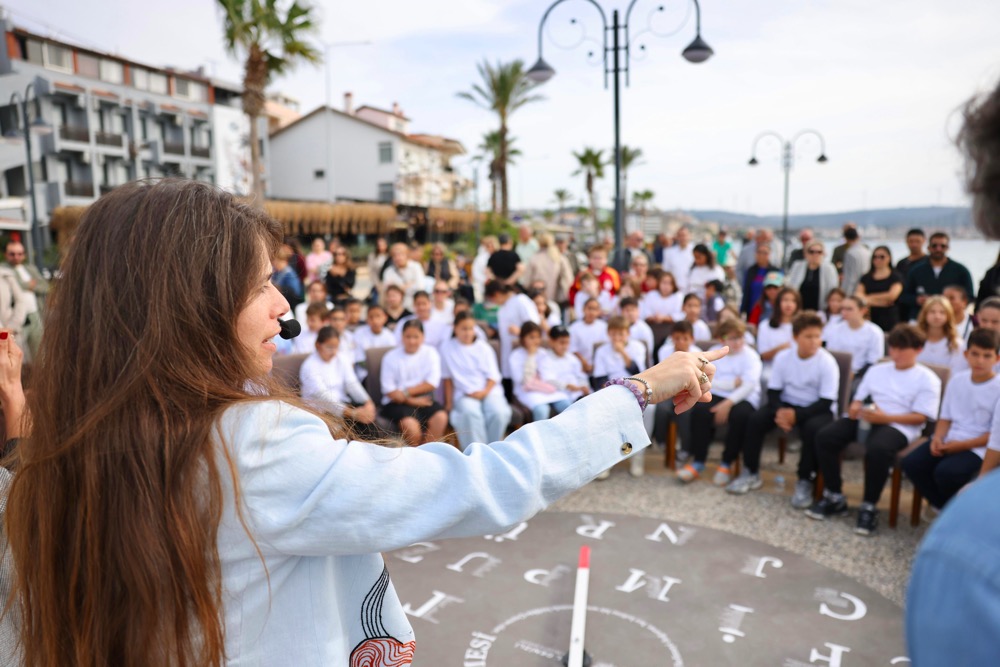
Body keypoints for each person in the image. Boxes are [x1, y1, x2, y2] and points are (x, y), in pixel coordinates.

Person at [0, 179, 727, 666]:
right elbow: (490, 483)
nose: (284, 307)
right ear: (186, 305)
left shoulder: (50, 467)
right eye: (260, 283)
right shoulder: (250, 448)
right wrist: (638, 391)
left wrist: (21, 441)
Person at [906, 77, 1000, 666]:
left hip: (973, 473)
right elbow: (947, 412)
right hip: (958, 457)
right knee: (918, 459)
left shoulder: (973, 555)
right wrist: (940, 438)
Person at [808, 324, 941, 536]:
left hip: (900, 425)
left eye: (901, 349)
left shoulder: (927, 378)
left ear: (918, 349)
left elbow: (921, 417)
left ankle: (869, 505)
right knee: (826, 436)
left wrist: (885, 417)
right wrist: (855, 407)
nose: (895, 354)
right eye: (893, 348)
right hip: (868, 417)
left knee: (878, 449)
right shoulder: (877, 370)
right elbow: (859, 398)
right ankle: (834, 495)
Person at [729, 312, 839, 498]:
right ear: (795, 337)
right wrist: (781, 412)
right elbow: (773, 391)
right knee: (755, 420)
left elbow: (826, 401)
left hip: (816, 408)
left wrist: (796, 415)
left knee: (813, 429)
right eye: (808, 336)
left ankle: (805, 479)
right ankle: (751, 471)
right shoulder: (783, 357)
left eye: (817, 336)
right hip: (787, 404)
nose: (814, 341)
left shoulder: (827, 362)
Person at [901, 328, 1000, 510]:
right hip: (950, 439)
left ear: (997, 358)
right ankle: (944, 508)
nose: (980, 361)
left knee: (946, 473)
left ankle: (953, 510)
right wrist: (937, 438)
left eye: (987, 356)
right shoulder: (957, 380)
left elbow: (995, 435)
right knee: (911, 463)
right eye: (975, 354)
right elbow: (945, 417)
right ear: (965, 354)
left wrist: (960, 446)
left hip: (979, 447)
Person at [680, 318, 762, 485]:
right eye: (732, 338)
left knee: (740, 416)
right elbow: (704, 378)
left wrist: (727, 404)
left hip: (744, 397)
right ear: (721, 339)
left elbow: (749, 386)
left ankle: (726, 463)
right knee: (700, 411)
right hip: (716, 392)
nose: (738, 342)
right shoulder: (713, 352)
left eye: (740, 337)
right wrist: (732, 383)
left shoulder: (751, 356)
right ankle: (698, 461)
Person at [441, 312, 512, 450]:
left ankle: (493, 450)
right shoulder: (447, 348)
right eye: (464, 328)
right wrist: (448, 404)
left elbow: (493, 376)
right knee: (470, 413)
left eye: (470, 328)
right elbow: (447, 378)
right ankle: (476, 453)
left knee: (499, 412)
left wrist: (483, 392)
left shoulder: (484, 348)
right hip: (464, 394)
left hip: (489, 391)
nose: (468, 332)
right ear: (455, 328)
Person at [593, 316, 653, 476]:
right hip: (610, 389)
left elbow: (640, 373)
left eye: (621, 334)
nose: (617, 338)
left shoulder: (638, 347)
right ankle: (608, 459)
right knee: (605, 411)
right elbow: (599, 378)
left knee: (651, 409)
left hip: (635, 388)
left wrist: (623, 353)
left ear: (628, 333)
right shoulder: (602, 351)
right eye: (613, 334)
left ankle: (638, 456)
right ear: (608, 334)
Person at [299, 326, 379, 440]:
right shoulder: (309, 366)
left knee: (369, 426)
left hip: (344, 405)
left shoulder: (341, 358)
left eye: (336, 347)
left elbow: (352, 383)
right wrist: (352, 413)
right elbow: (323, 397)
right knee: (345, 434)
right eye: (329, 347)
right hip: (321, 410)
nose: (334, 352)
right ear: (318, 345)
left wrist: (368, 402)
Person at [379, 319, 448, 447]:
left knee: (441, 417)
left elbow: (432, 383)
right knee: (412, 429)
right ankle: (415, 460)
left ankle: (428, 455)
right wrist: (410, 400)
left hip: (423, 399)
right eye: (408, 337)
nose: (412, 341)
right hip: (395, 403)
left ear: (423, 337)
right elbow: (389, 390)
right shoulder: (390, 357)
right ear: (402, 337)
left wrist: (405, 393)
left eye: (416, 337)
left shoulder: (430, 353)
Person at [900, 231, 976, 321]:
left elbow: (970, 297)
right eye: (934, 246)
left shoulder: (961, 270)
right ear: (929, 248)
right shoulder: (915, 270)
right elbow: (904, 296)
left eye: (942, 246)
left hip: (951, 319)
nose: (938, 249)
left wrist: (950, 301)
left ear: (947, 248)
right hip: (920, 318)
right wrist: (917, 300)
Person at [509, 322, 573, 421]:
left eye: (538, 337)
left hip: (546, 388)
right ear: (523, 338)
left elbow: (548, 375)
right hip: (527, 391)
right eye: (531, 337)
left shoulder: (543, 353)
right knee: (542, 410)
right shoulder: (516, 355)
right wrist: (530, 356)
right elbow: (522, 381)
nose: (536, 341)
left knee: (566, 405)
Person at [822, 296, 885, 388]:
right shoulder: (834, 329)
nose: (844, 312)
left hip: (861, 376)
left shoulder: (874, 332)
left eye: (849, 309)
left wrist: (855, 375)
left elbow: (874, 361)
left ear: (863, 310)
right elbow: (829, 354)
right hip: (835, 371)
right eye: (842, 308)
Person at [0, 241, 48, 361]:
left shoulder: (29, 268)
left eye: (20, 253)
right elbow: (19, 286)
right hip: (16, 318)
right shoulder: (4, 270)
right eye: (12, 254)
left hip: (34, 314)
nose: (16, 257)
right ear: (6, 254)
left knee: (40, 354)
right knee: (17, 357)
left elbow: (45, 286)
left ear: (24, 255)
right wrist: (30, 284)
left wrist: (28, 285)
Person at [487, 280, 539, 382]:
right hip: (507, 352)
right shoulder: (502, 307)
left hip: (523, 352)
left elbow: (534, 326)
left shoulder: (521, 301)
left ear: (496, 294)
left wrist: (521, 331)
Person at [915, 296, 968, 375]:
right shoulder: (913, 340)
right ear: (925, 314)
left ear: (948, 316)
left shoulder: (957, 344)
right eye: (932, 312)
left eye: (942, 312)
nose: (937, 316)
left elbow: (957, 372)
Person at [856, 245, 904, 331]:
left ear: (889, 258)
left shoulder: (896, 276)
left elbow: (892, 296)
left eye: (882, 257)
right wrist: (882, 302)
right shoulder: (866, 277)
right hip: (870, 317)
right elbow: (858, 295)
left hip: (890, 319)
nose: (878, 259)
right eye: (875, 257)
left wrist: (867, 299)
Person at [756, 287, 802, 376]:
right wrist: (780, 349)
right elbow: (763, 355)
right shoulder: (765, 326)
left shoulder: (803, 326)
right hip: (771, 370)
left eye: (793, 301)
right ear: (778, 303)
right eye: (785, 300)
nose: (789, 304)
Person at [785, 240, 838, 312]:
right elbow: (790, 286)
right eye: (811, 252)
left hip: (820, 310)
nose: (815, 254)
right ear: (805, 253)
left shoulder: (829, 268)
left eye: (819, 252)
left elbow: (833, 290)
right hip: (799, 310)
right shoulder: (797, 266)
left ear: (823, 254)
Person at [542, 325, 591, 401]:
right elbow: (548, 379)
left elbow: (581, 375)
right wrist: (567, 386)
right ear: (551, 342)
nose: (565, 346)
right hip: (560, 395)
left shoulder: (572, 358)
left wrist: (584, 385)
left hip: (579, 392)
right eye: (562, 343)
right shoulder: (545, 359)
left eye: (567, 343)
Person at [524, 233, 575, 306]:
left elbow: (527, 282)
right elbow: (568, 279)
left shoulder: (534, 258)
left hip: (538, 299)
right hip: (556, 299)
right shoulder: (559, 258)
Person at [568, 298, 609, 376]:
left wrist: (595, 364)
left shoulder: (604, 326)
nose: (592, 312)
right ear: (583, 309)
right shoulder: (574, 327)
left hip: (601, 366)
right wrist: (584, 363)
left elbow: (606, 347)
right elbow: (572, 349)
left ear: (599, 311)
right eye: (589, 308)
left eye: (595, 309)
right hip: (580, 366)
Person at [741, 244, 780, 319]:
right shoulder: (750, 271)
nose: (761, 255)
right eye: (759, 252)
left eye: (765, 253)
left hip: (769, 310)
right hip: (752, 309)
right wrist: (743, 309)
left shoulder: (775, 271)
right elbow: (746, 290)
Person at [382, 242, 426, 308]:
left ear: (407, 255)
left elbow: (420, 287)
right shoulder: (388, 271)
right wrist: (410, 284)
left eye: (400, 254)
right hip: (398, 307)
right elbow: (389, 290)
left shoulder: (416, 267)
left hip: (414, 305)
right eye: (395, 256)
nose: (398, 258)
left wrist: (399, 288)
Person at [620, 297, 654, 367]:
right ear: (621, 312)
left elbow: (648, 352)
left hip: (639, 364)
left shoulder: (644, 329)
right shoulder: (617, 327)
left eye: (633, 310)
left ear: (638, 311)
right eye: (627, 310)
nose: (630, 313)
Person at [839, 226, 871, 298]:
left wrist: (845, 294)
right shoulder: (867, 251)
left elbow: (849, 276)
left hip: (853, 290)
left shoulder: (850, 253)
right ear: (857, 237)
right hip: (866, 286)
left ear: (846, 239)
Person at [661, 226, 695, 293]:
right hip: (675, 289)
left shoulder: (695, 251)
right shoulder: (669, 252)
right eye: (680, 235)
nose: (683, 238)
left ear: (689, 236)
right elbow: (666, 271)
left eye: (684, 235)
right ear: (677, 237)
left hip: (691, 288)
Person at [471, 235, 498, 303]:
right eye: (488, 245)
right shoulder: (480, 258)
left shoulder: (498, 256)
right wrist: (485, 280)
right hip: (482, 286)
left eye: (492, 245)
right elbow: (475, 272)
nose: (491, 247)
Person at [366, 237, 390, 304]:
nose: (381, 247)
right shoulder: (372, 256)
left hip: (387, 283)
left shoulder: (390, 256)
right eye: (379, 245)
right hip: (377, 284)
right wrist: (377, 284)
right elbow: (372, 272)